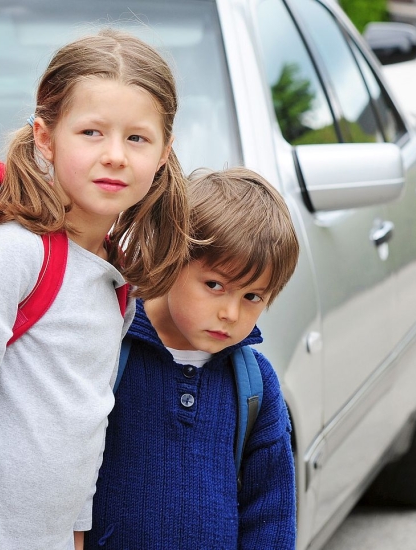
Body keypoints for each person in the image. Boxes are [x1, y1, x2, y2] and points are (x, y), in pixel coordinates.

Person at [0, 29, 191, 550]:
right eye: (92, 132)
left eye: (137, 138)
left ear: (164, 152)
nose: (115, 155)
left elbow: (82, 426)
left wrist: (75, 536)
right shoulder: (14, 253)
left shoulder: (111, 279)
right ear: (45, 138)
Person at [87, 167, 300, 549]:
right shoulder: (108, 349)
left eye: (253, 296)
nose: (231, 313)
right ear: (170, 258)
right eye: (215, 285)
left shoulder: (254, 384)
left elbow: (271, 512)